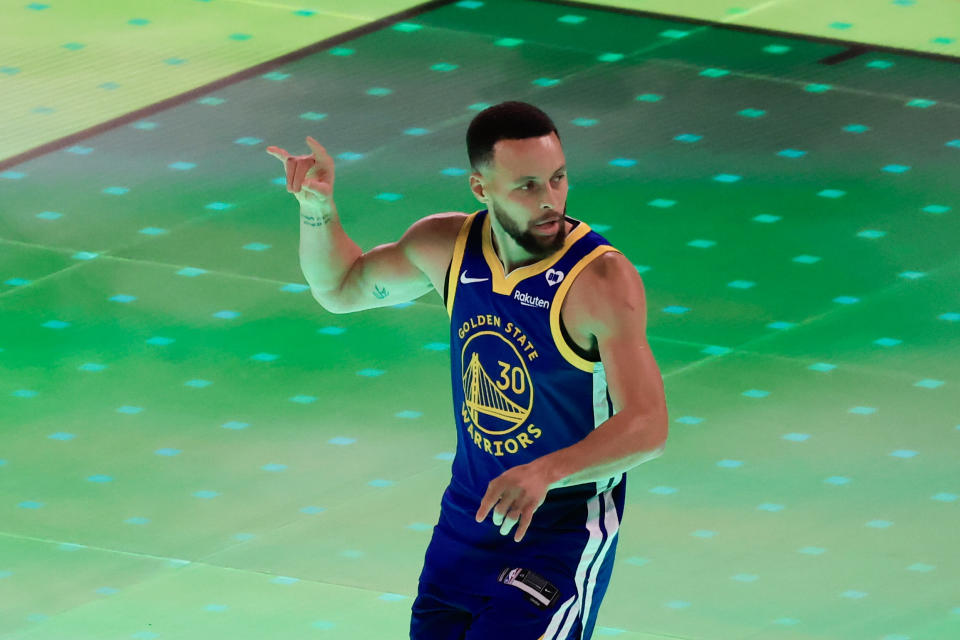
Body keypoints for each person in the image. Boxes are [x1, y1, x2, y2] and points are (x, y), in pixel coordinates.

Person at [266, 101, 668, 640]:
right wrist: (316, 207)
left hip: (557, 531)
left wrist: (547, 472)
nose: (550, 200)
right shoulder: (446, 247)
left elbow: (647, 425)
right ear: (480, 188)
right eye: (526, 186)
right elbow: (340, 289)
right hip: (466, 521)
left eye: (558, 178)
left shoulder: (600, 281)